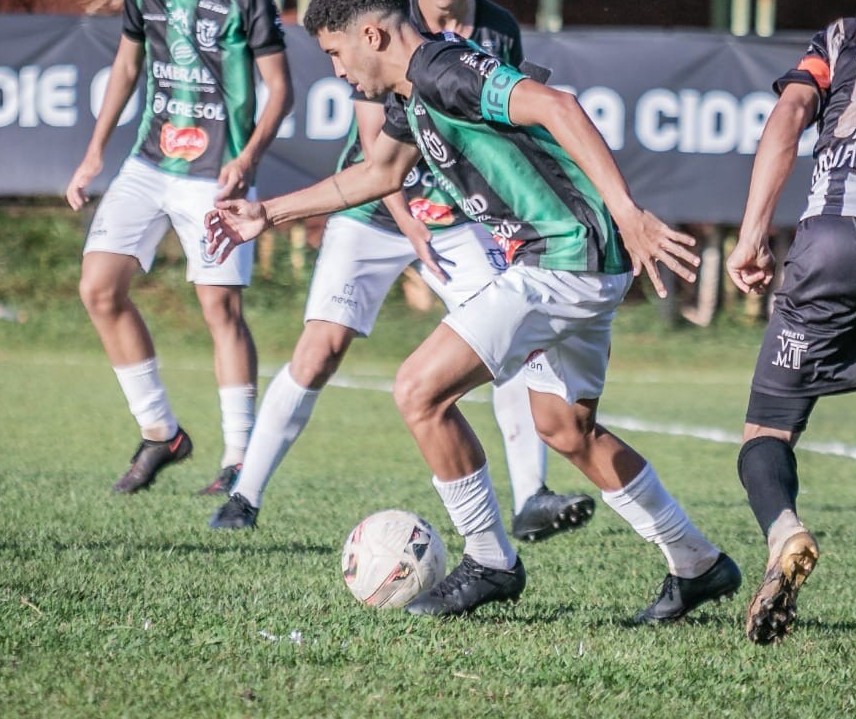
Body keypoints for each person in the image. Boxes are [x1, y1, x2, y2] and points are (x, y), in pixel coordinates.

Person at [206, 0, 741, 619]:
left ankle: (490, 560)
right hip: (574, 261)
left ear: (373, 35)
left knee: (417, 391)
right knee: (567, 429)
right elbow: (378, 172)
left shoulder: (444, 69)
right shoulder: (411, 91)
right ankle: (698, 563)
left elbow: (558, 105)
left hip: (562, 259)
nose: (337, 72)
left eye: (335, 53)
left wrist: (627, 210)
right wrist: (267, 213)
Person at [206, 0, 595, 544]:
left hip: (461, 217)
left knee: (512, 344)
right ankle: (244, 493)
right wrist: (407, 221)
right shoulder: (386, 23)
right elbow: (378, 155)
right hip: (376, 212)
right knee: (320, 349)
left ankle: (531, 497)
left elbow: (513, 120)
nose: (337, 69)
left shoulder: (497, 26)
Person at [66, 0, 292, 493]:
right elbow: (127, 64)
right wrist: (93, 154)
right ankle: (160, 432)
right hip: (149, 163)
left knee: (220, 309)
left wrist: (249, 157)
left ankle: (238, 457)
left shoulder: (249, 4)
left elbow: (280, 89)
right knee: (98, 288)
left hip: (217, 173)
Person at [723, 19, 853, 644]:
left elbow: (791, 111)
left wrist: (753, 234)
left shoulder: (840, 35)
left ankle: (784, 534)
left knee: (767, 430)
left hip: (836, 246)